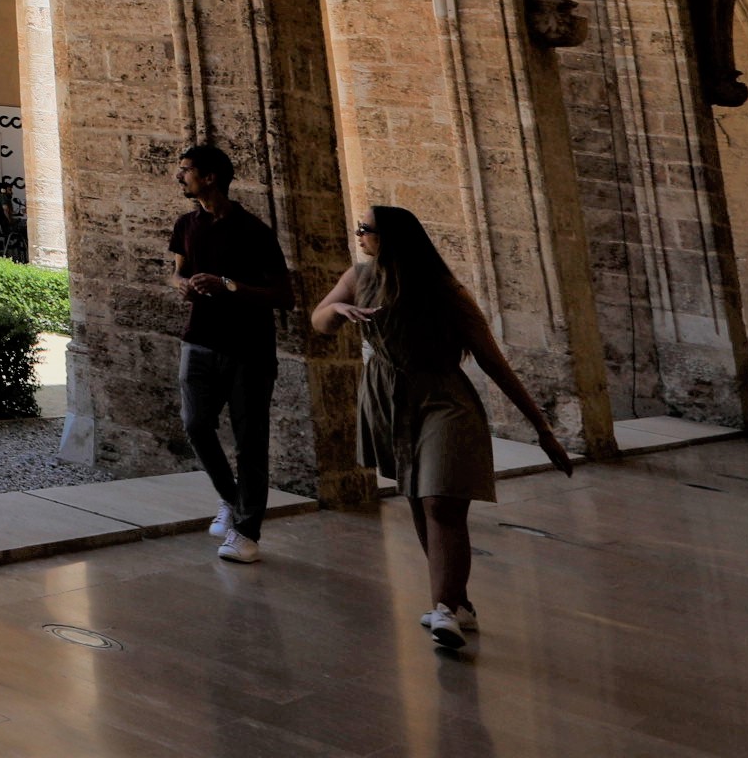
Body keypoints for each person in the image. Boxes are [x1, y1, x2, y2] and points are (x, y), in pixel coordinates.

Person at [313, 205, 572, 654]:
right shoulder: (360, 276)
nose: (359, 235)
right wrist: (338, 307)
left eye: (365, 229)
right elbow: (319, 320)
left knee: (440, 501)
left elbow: (494, 362)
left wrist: (542, 429)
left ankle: (445, 609)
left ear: (392, 238)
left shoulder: (445, 291)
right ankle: (457, 602)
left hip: (443, 400)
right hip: (389, 399)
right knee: (419, 498)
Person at [169, 142, 289, 562]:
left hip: (248, 348)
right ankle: (232, 498)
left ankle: (247, 533)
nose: (179, 176)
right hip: (199, 340)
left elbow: (284, 295)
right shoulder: (186, 224)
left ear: (210, 177)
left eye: (186, 169)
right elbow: (177, 272)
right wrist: (182, 285)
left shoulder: (254, 231)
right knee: (195, 424)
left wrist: (229, 286)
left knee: (250, 441)